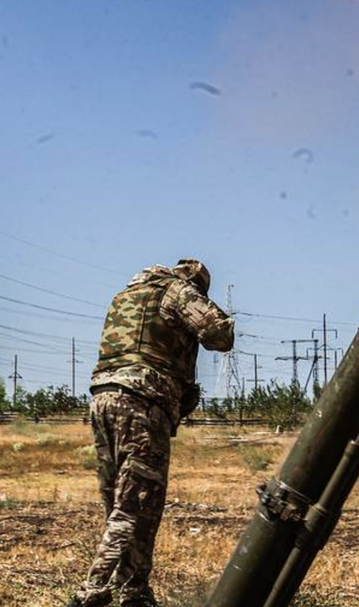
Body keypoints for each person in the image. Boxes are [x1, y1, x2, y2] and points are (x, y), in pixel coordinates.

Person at [69, 259, 235, 607]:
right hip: (143, 402)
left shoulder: (126, 295)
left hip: (103, 398)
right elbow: (220, 335)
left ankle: (134, 590)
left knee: (122, 502)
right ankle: (92, 590)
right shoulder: (178, 291)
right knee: (135, 503)